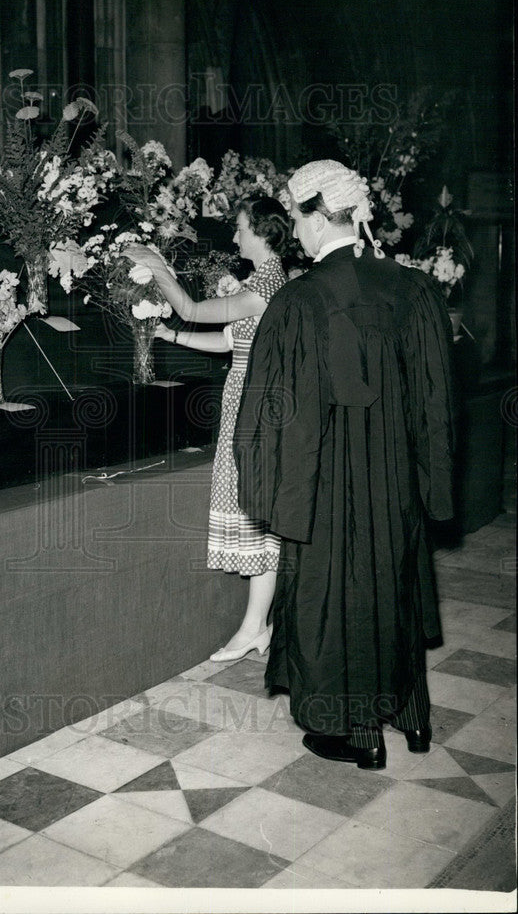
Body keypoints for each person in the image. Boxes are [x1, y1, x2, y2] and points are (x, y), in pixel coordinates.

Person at [234, 160, 454, 770]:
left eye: (296, 217)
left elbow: (271, 412)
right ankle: (410, 721)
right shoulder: (412, 288)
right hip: (395, 481)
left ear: (314, 214)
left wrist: (267, 491)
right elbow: (437, 400)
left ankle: (353, 733)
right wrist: (432, 487)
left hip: (328, 484)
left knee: (335, 600)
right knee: (395, 587)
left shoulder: (301, 300)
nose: (294, 232)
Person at [124, 198, 288, 661]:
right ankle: (258, 624)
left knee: (256, 509)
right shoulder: (262, 280)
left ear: (261, 231)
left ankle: (255, 626)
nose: (235, 238)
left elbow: (193, 308)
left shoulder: (269, 282)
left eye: (239, 229)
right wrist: (168, 335)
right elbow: (228, 339)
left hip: (254, 400)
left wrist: (157, 265)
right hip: (243, 393)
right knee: (253, 507)